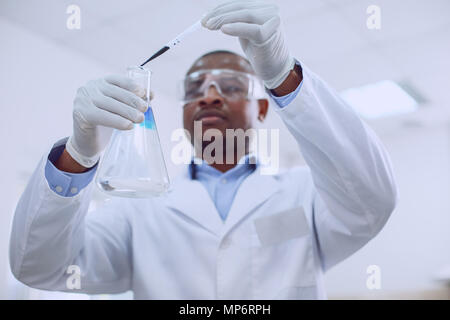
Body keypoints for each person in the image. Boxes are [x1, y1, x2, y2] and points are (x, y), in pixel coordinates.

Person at [9, 1, 397, 299]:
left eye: (229, 86)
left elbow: (372, 200)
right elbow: (40, 267)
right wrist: (78, 154)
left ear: (262, 107)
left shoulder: (304, 193)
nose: (209, 96)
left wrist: (283, 75)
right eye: (195, 90)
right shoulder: (138, 210)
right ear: (183, 112)